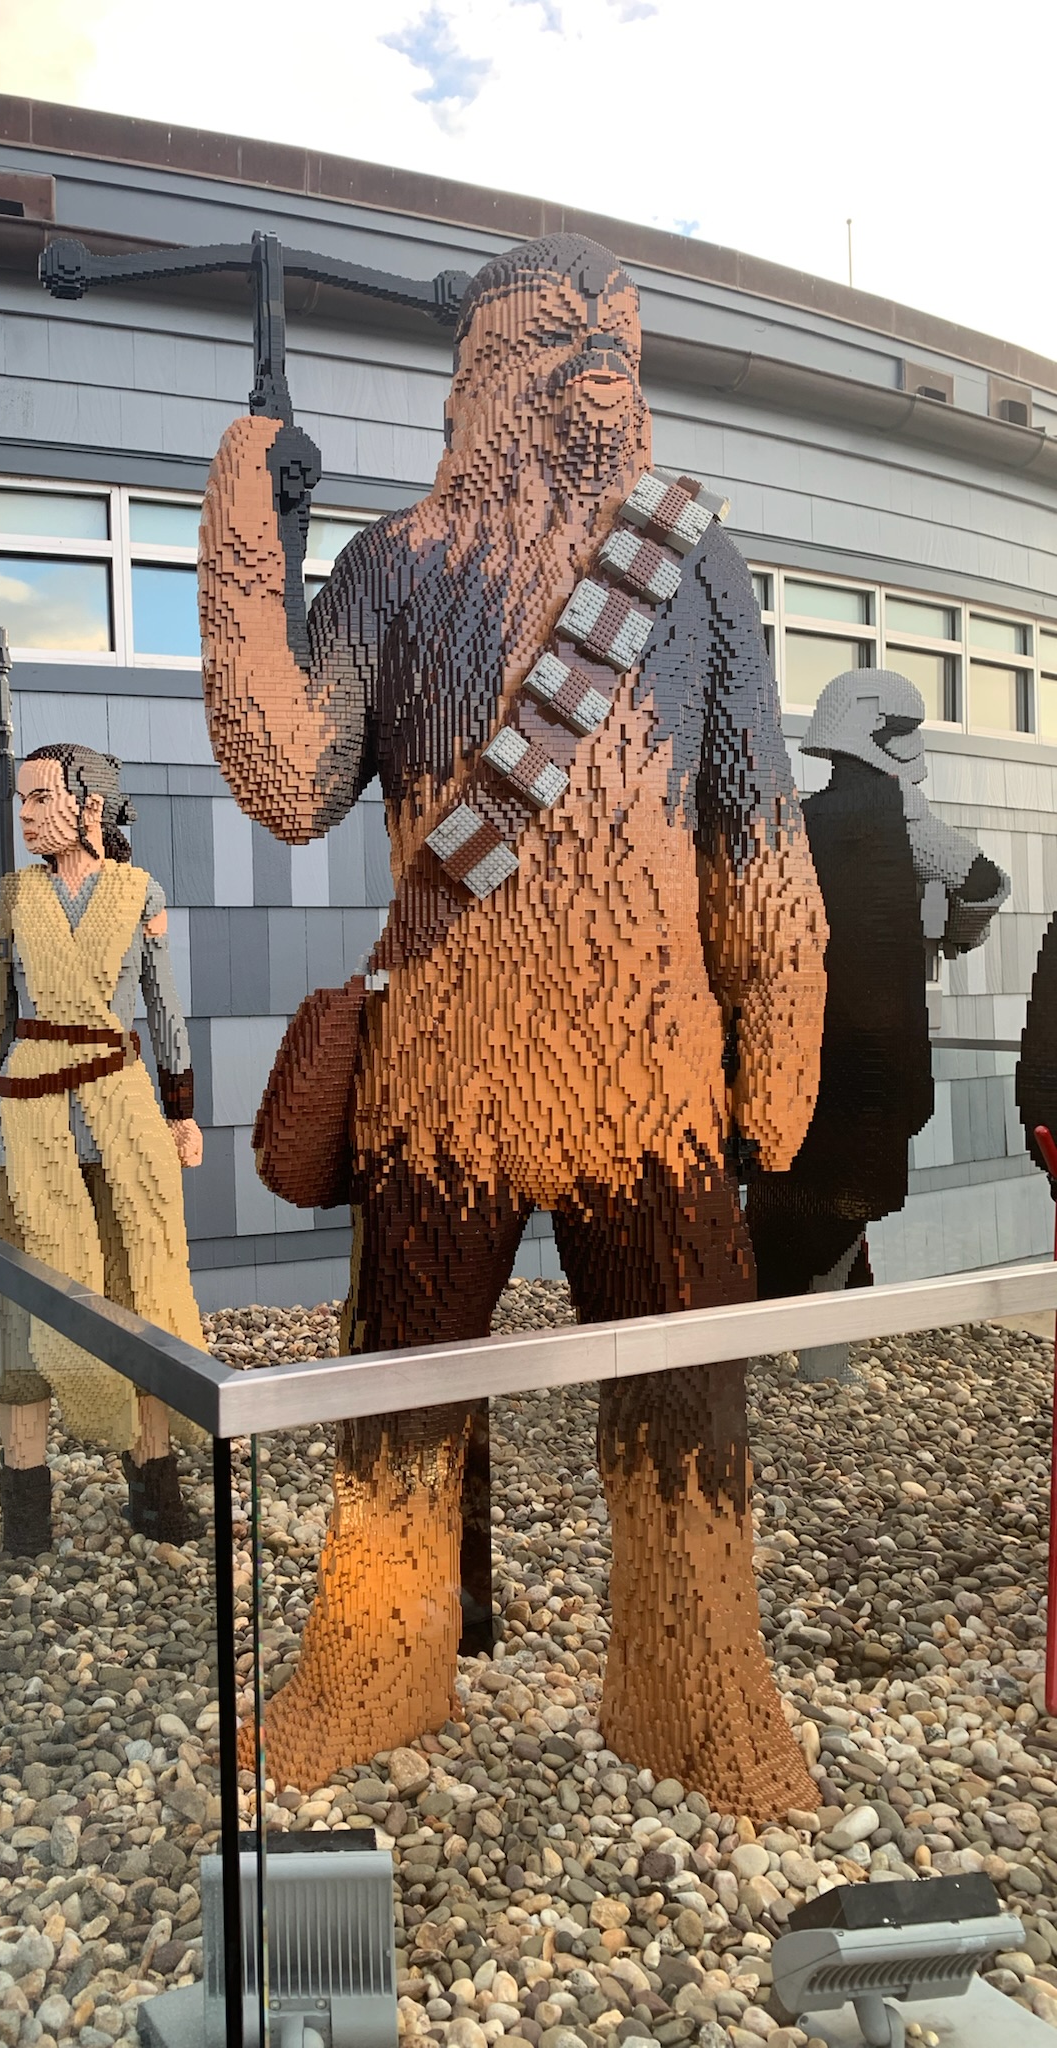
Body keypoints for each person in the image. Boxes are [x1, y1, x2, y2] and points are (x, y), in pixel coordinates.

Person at [198, 231, 828, 1811]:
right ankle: (375, 1666)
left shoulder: (695, 569)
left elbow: (757, 824)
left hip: (654, 1081)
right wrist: (245, 548)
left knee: (689, 1402)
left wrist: (782, 1020)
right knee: (399, 1390)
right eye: (560, 336)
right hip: (443, 1084)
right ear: (480, 372)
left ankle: (700, 1692)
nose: (601, 363)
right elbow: (289, 777)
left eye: (620, 338)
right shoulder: (394, 568)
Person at [0, 743, 207, 1555]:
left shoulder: (141, 895)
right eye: (22, 800)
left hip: (121, 1118)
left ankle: (155, 1482)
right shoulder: (9, 899)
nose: (26, 815)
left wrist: (183, 1111)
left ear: (90, 807)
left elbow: (166, 1012)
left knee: (142, 1287)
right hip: (24, 1117)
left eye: (41, 799)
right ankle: (26, 1507)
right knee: (19, 1308)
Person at [747, 668, 1009, 1374]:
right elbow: (986, 886)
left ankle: (773, 1340)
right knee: (846, 1194)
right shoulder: (908, 821)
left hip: (797, 1045)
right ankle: (821, 1358)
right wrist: (954, 936)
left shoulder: (792, 821)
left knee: (794, 1190)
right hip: (876, 1048)